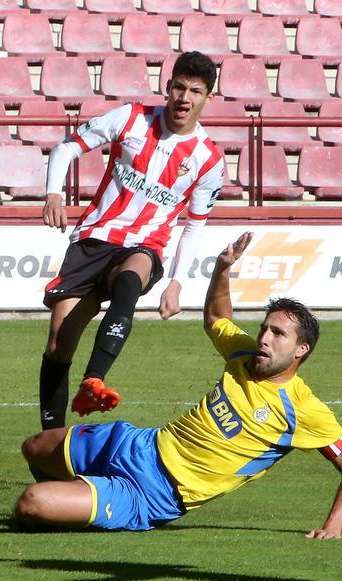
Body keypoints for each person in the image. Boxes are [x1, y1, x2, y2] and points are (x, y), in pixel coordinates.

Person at [14, 232, 342, 536]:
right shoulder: (243, 355)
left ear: (301, 350)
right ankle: (78, 495)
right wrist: (223, 268)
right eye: (264, 329)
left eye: (278, 334)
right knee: (34, 446)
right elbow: (217, 318)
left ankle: (83, 499)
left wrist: (332, 529)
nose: (263, 339)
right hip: (140, 444)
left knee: (31, 503)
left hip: (154, 491)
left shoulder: (303, 410)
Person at [37, 51, 227, 429]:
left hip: (145, 245)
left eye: (195, 91)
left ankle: (94, 381)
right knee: (59, 342)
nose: (184, 98)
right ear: (167, 87)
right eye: (178, 87)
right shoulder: (131, 118)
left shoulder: (208, 160)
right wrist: (53, 194)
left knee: (130, 278)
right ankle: (52, 444)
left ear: (208, 98)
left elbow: (194, 226)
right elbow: (66, 148)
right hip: (95, 238)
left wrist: (176, 283)